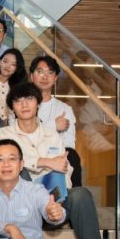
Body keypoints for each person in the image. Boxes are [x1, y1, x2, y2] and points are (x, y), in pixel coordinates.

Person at [0, 83, 120, 239]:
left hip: (52, 203)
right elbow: (7, 165)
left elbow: (63, 169)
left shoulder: (52, 134)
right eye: (18, 101)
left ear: (38, 104)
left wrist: (59, 196)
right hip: (22, 206)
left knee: (80, 194)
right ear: (12, 107)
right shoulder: (3, 134)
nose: (24, 105)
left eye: (29, 99)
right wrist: (46, 162)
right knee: (19, 173)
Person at [30, 55, 82, 187]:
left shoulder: (65, 109)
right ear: (32, 76)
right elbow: (25, 136)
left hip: (58, 156)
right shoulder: (22, 106)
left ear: (55, 78)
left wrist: (53, 155)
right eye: (40, 72)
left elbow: (69, 143)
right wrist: (54, 126)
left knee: (73, 156)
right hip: (32, 157)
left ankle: (74, 195)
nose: (44, 77)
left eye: (50, 72)